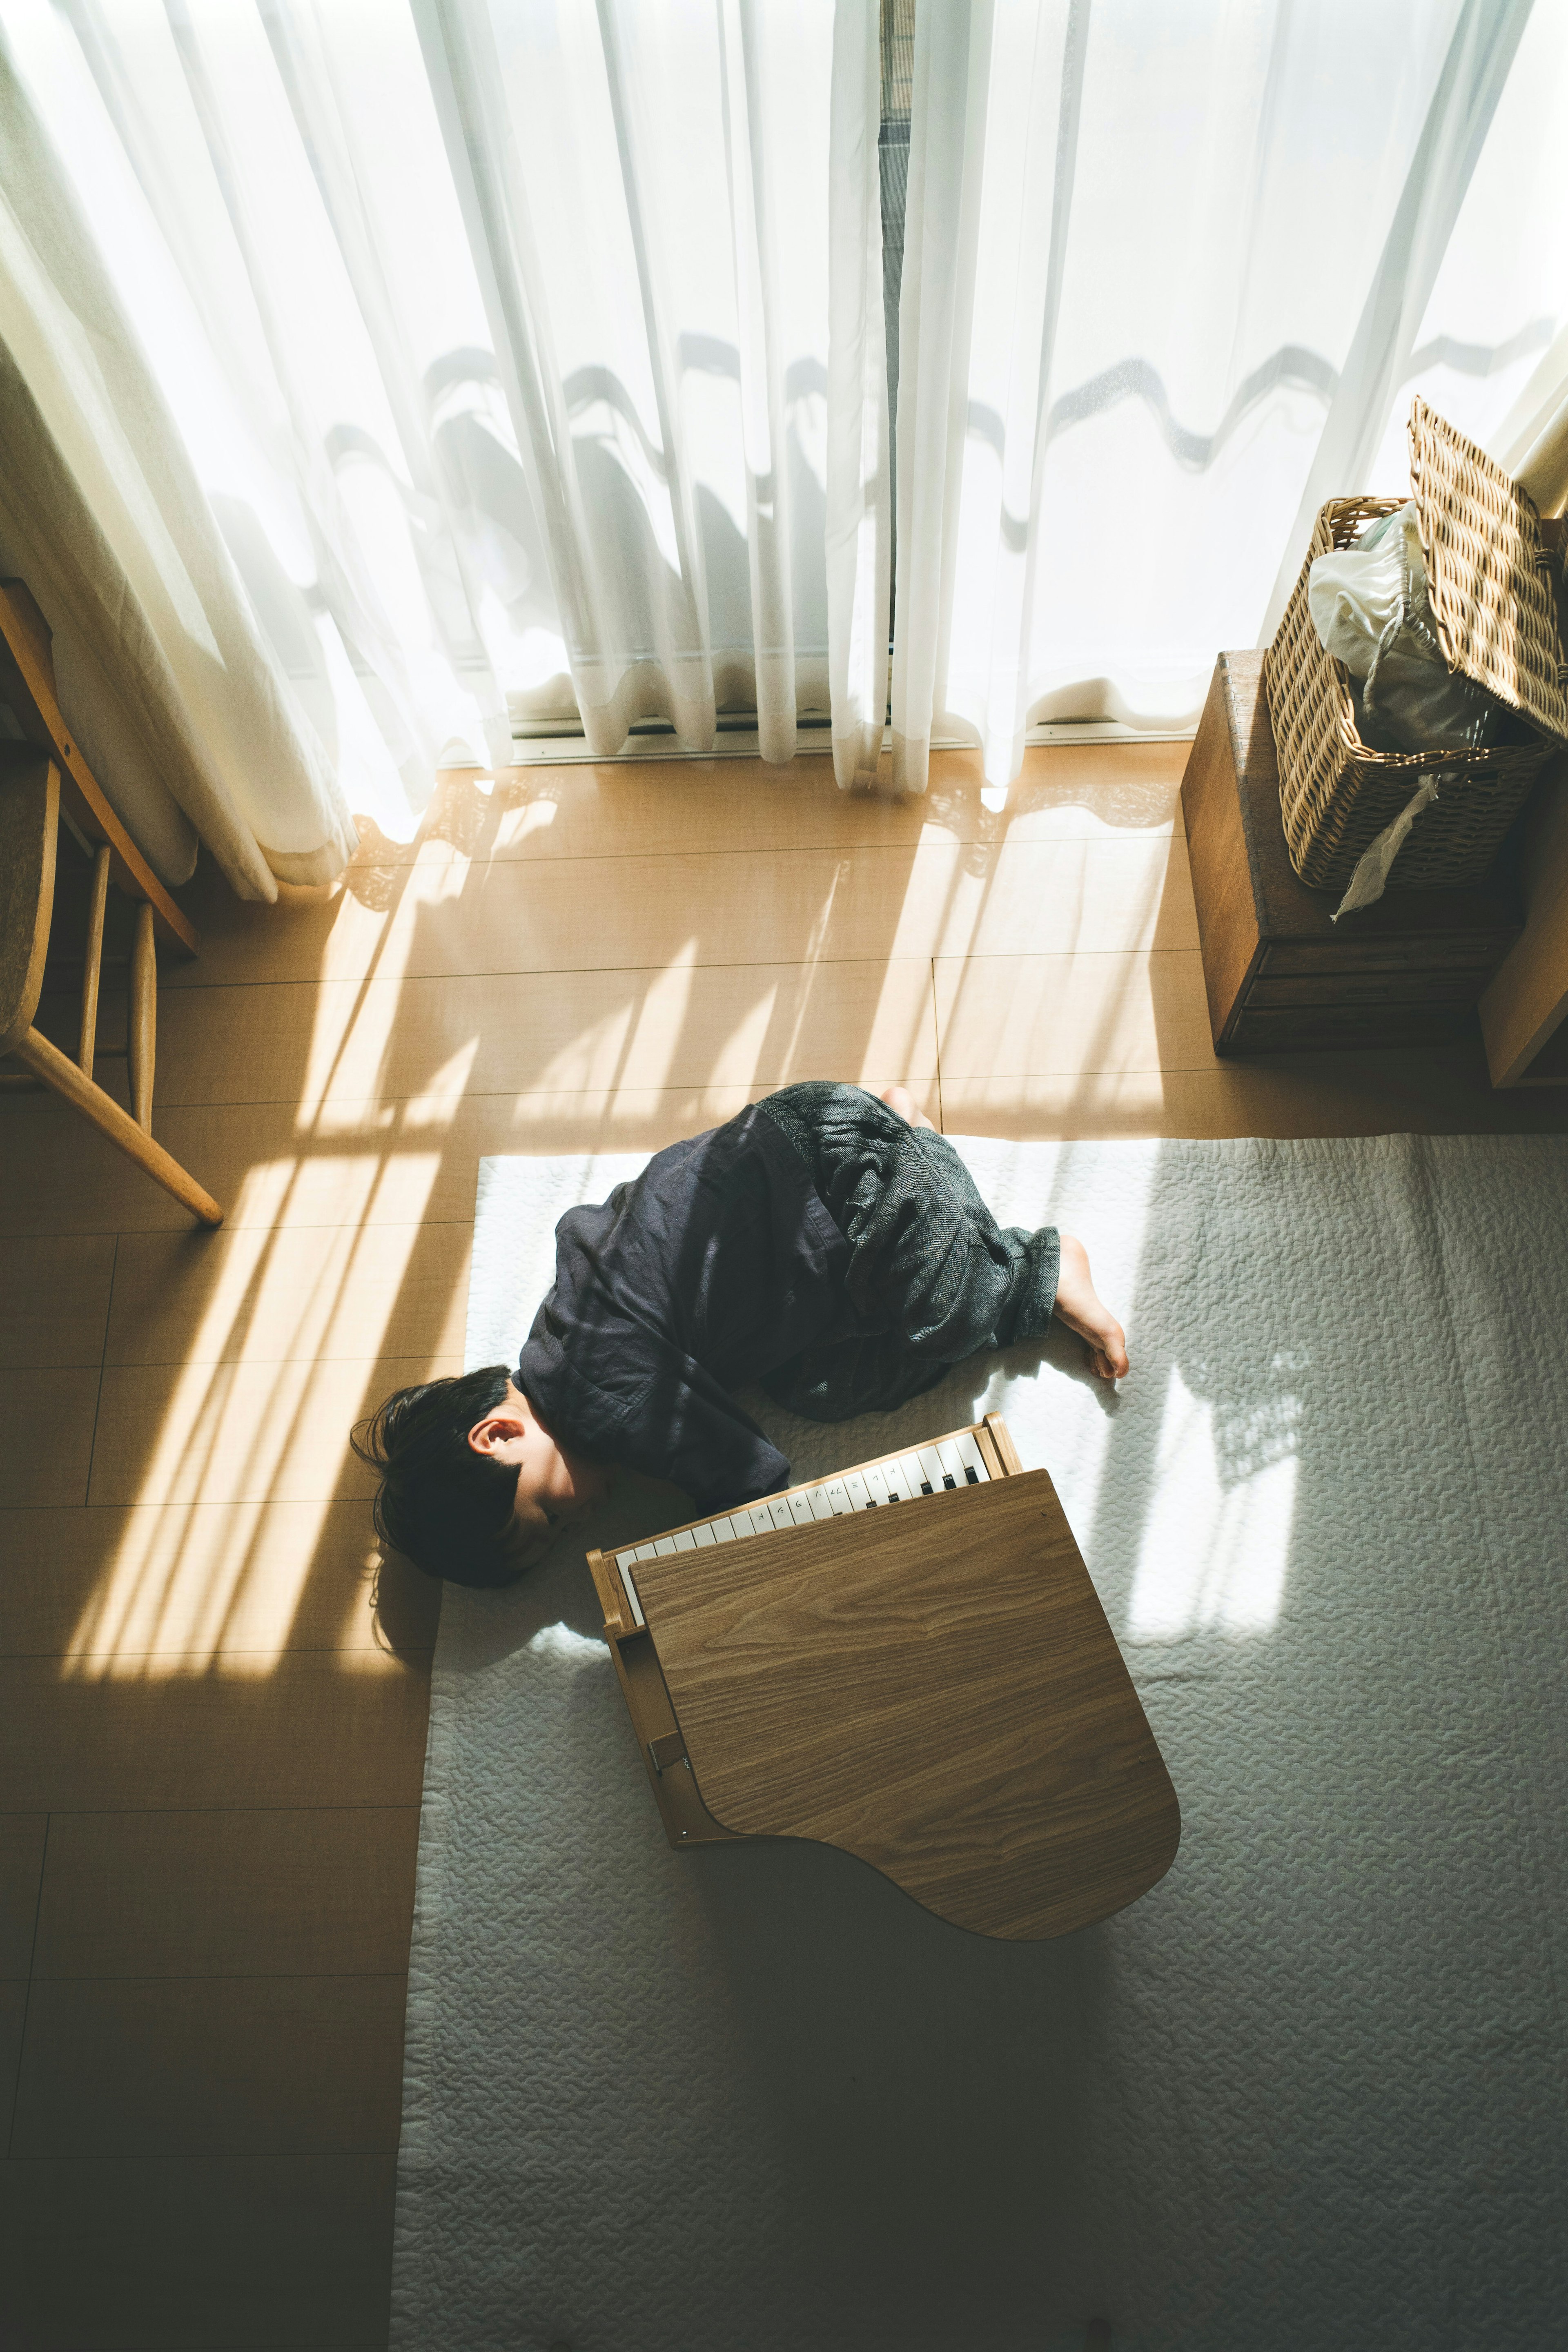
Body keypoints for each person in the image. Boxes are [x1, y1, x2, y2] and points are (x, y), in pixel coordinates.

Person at [352, 1081, 1128, 1588]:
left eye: (549, 1516)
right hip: (807, 1223)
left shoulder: (605, 1400)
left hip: (830, 1173)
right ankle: (910, 1151)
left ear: (496, 1434)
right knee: (823, 1392)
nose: (578, 1524)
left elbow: (747, 1489)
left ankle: (1033, 1260)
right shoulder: (559, 1345)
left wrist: (709, 1579)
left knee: (947, 1312)